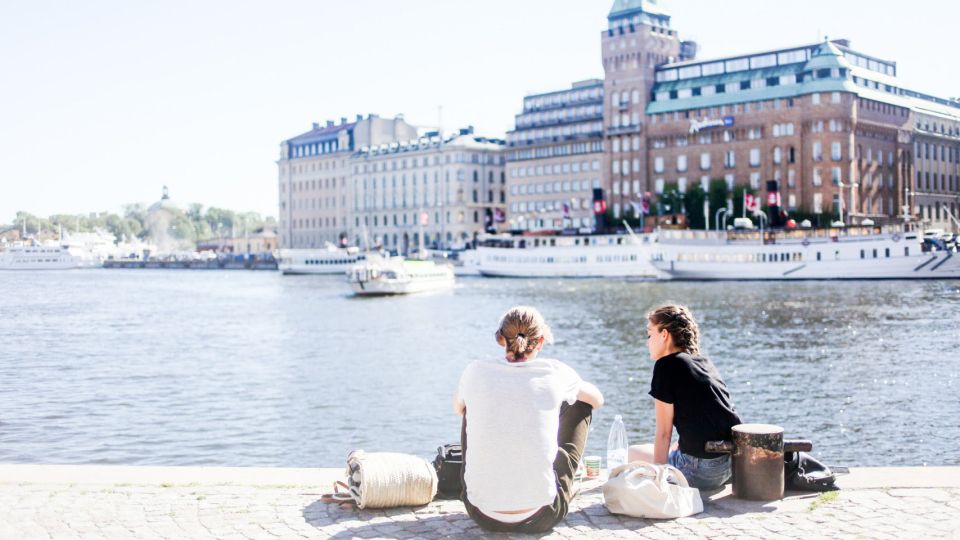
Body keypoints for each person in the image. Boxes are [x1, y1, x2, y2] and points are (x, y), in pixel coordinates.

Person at [453, 306, 603, 533]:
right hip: (542, 515)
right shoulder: (555, 372)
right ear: (540, 341)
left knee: (468, 407)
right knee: (580, 403)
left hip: (481, 513)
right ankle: (566, 480)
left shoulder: (475, 370)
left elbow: (458, 408)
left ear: (500, 339)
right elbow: (596, 400)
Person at [628, 304, 742, 490]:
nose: (647, 342)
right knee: (673, 448)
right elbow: (707, 413)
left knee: (633, 453)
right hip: (730, 465)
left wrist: (659, 480)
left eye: (650, 335)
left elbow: (664, 433)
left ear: (664, 334)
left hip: (700, 471)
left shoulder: (666, 366)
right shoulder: (702, 362)